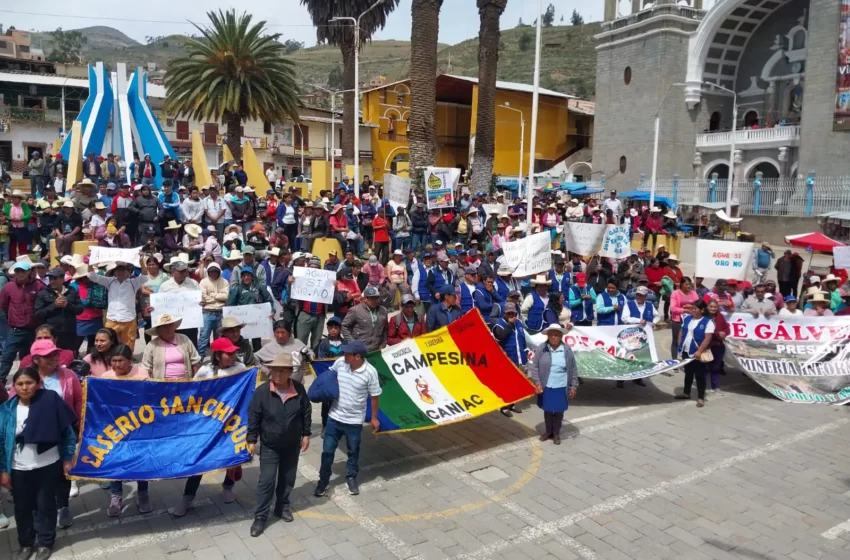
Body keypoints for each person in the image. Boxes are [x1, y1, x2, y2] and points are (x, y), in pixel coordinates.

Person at [0, 368, 77, 560]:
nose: (25, 388)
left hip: (48, 464)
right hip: (19, 467)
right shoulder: (7, 410)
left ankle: (45, 542)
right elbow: (2, 442)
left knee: (46, 505)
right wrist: (3, 470)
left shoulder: (50, 401)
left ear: (38, 384)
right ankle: (26, 543)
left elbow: (67, 432)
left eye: (29, 383)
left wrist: (68, 458)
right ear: (13, 386)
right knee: (22, 507)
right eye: (20, 384)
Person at [247, 353, 311, 536]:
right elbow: (254, 417)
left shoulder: (298, 389)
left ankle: (282, 507)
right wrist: (251, 440)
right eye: (274, 369)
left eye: (282, 370)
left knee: (287, 478)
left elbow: (306, 411)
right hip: (269, 445)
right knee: (266, 481)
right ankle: (260, 516)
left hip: (292, 445)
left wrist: (306, 434)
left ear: (291, 371)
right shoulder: (262, 392)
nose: (277, 373)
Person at [314, 341, 381, 498]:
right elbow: (329, 377)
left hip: (354, 421)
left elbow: (375, 396)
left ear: (357, 356)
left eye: (347, 353)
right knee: (327, 451)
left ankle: (351, 477)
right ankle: (323, 480)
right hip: (334, 418)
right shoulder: (340, 363)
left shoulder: (370, 372)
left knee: (353, 451)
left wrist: (375, 418)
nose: (343, 355)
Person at [100, 345, 151, 517]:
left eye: (120, 360)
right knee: (115, 460)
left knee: (141, 460)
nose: (117, 365)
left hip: (139, 427)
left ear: (130, 361)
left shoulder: (142, 374)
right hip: (115, 429)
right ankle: (116, 496)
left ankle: (142, 493)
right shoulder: (105, 377)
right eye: (113, 361)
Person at [529, 324, 578, 445]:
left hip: (561, 385)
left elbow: (573, 369)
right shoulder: (542, 348)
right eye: (551, 334)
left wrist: (573, 386)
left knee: (559, 411)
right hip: (547, 386)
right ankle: (548, 432)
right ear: (548, 336)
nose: (553, 337)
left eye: (556, 335)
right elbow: (534, 367)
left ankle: (556, 433)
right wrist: (538, 383)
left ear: (561, 336)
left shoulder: (567, 350)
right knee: (548, 410)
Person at [0, 260, 46, 384]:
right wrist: (12, 319)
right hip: (16, 329)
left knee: (29, 357)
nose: (19, 274)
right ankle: (1, 381)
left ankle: (27, 380)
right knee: (7, 356)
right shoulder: (8, 287)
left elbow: (44, 304)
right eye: (17, 271)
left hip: (33, 329)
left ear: (29, 272)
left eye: (22, 271)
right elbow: (3, 305)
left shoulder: (39, 286)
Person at [88, 262, 148, 350]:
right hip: (112, 319)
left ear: (128, 272)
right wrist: (90, 262)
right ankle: (108, 362)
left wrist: (141, 262)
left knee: (128, 346)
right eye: (118, 270)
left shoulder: (133, 282)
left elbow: (144, 277)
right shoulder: (110, 281)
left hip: (129, 319)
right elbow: (92, 276)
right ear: (115, 272)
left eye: (123, 270)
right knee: (107, 344)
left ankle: (127, 362)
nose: (121, 272)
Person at [34, 267, 83, 352]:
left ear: (62, 279)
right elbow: (38, 313)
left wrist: (67, 305)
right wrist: (54, 305)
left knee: (69, 357)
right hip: (51, 334)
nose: (52, 281)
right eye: (50, 278)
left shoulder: (71, 291)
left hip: (69, 333)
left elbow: (80, 309)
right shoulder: (43, 293)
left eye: (55, 278)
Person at [676, 300, 714, 408]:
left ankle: (700, 397)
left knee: (700, 376)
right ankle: (686, 393)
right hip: (686, 351)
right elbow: (681, 332)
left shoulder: (708, 322)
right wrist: (679, 346)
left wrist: (699, 351)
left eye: (695, 309)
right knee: (688, 373)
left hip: (697, 353)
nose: (692, 310)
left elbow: (707, 338)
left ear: (702, 310)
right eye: (692, 308)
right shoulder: (687, 318)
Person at [492, 302, 527, 417]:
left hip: (518, 359)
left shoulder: (519, 324)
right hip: (506, 360)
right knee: (506, 384)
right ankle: (504, 406)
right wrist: (510, 325)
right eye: (509, 313)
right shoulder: (499, 325)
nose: (512, 315)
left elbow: (523, 339)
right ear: (505, 314)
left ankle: (512, 404)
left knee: (515, 384)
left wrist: (525, 354)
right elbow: (500, 336)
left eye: (514, 313)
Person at [341, 286, 388, 352]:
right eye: (372, 298)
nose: (375, 300)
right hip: (360, 349)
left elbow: (385, 329)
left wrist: (383, 344)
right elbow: (344, 326)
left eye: (376, 297)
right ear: (365, 299)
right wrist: (352, 342)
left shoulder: (383, 310)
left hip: (377, 348)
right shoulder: (355, 310)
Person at [198, 262, 230, 357]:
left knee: (219, 338)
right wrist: (217, 298)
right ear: (208, 272)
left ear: (219, 272)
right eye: (211, 271)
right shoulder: (203, 282)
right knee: (204, 338)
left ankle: (218, 358)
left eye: (215, 271)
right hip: (207, 313)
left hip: (220, 313)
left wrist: (211, 296)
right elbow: (203, 296)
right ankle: (200, 358)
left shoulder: (224, 282)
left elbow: (226, 296)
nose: (213, 273)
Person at [669, 277, 699, 360]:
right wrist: (685, 310)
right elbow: (673, 308)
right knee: (675, 341)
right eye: (686, 284)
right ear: (681, 284)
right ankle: (674, 360)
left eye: (689, 284)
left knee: (687, 339)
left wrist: (691, 306)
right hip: (678, 320)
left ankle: (685, 358)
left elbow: (698, 305)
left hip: (691, 320)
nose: (688, 286)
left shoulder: (693, 293)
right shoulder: (675, 293)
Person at [705, 298, 728, 395]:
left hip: (718, 345)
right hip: (706, 346)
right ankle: (703, 386)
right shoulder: (704, 317)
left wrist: (724, 333)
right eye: (711, 306)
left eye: (715, 307)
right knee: (705, 367)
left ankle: (715, 386)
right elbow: (705, 331)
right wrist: (718, 334)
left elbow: (727, 328)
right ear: (707, 307)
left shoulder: (720, 316)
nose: (713, 308)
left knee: (716, 367)